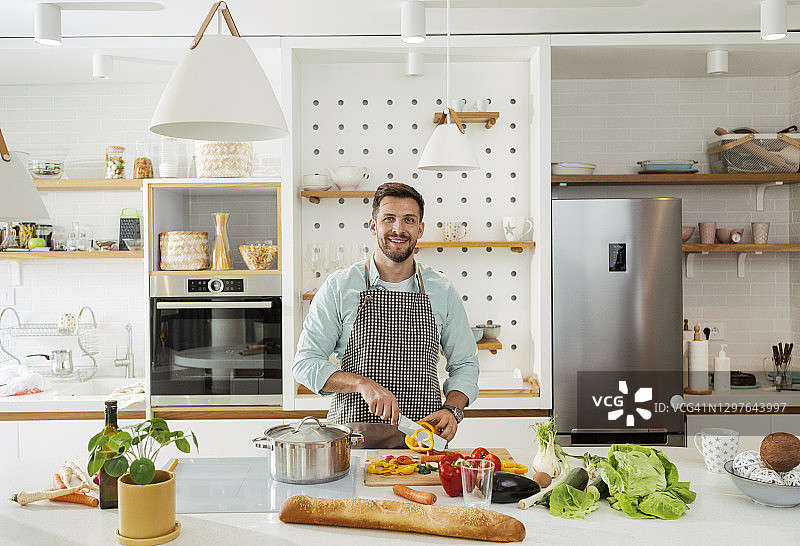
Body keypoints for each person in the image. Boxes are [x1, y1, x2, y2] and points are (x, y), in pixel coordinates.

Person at [293, 182, 479, 448]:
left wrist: (453, 409)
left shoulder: (442, 290)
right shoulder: (339, 287)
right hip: (351, 442)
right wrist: (361, 384)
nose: (398, 229)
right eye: (389, 219)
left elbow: (465, 365)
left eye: (409, 220)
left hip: (423, 438)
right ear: (373, 225)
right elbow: (305, 363)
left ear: (420, 229)